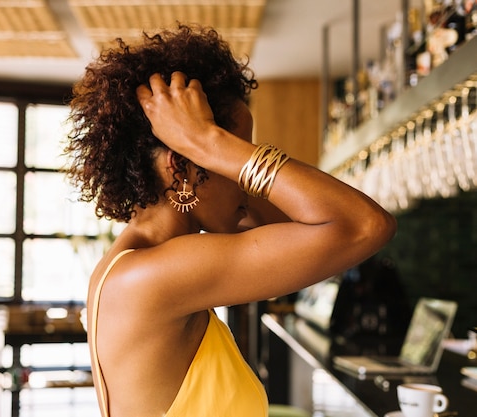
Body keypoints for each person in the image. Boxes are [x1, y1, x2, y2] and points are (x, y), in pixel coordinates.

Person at [65, 24, 396, 417]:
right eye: (234, 163)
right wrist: (209, 143)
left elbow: (290, 224)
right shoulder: (153, 275)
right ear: (181, 167)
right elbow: (364, 225)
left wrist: (211, 150)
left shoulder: (138, 260)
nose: (245, 182)